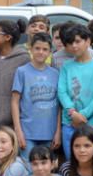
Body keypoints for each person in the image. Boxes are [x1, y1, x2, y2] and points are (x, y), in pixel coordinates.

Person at [0, 19, 31, 170]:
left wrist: (18, 125)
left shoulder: (23, 60)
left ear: (8, 37)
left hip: (13, 126)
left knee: (13, 169)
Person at [57, 23, 93, 160]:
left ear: (88, 41)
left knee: (92, 162)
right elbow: (62, 92)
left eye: (78, 41)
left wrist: (83, 115)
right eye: (70, 43)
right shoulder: (66, 66)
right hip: (69, 123)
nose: (74, 46)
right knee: (71, 162)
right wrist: (72, 112)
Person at [11, 32, 61, 160]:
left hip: (49, 133)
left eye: (45, 49)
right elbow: (15, 102)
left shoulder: (55, 74)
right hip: (27, 132)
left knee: (45, 169)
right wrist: (18, 130)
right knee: (29, 168)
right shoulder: (21, 71)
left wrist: (57, 132)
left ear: (50, 52)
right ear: (30, 49)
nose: (41, 52)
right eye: (37, 48)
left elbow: (59, 106)